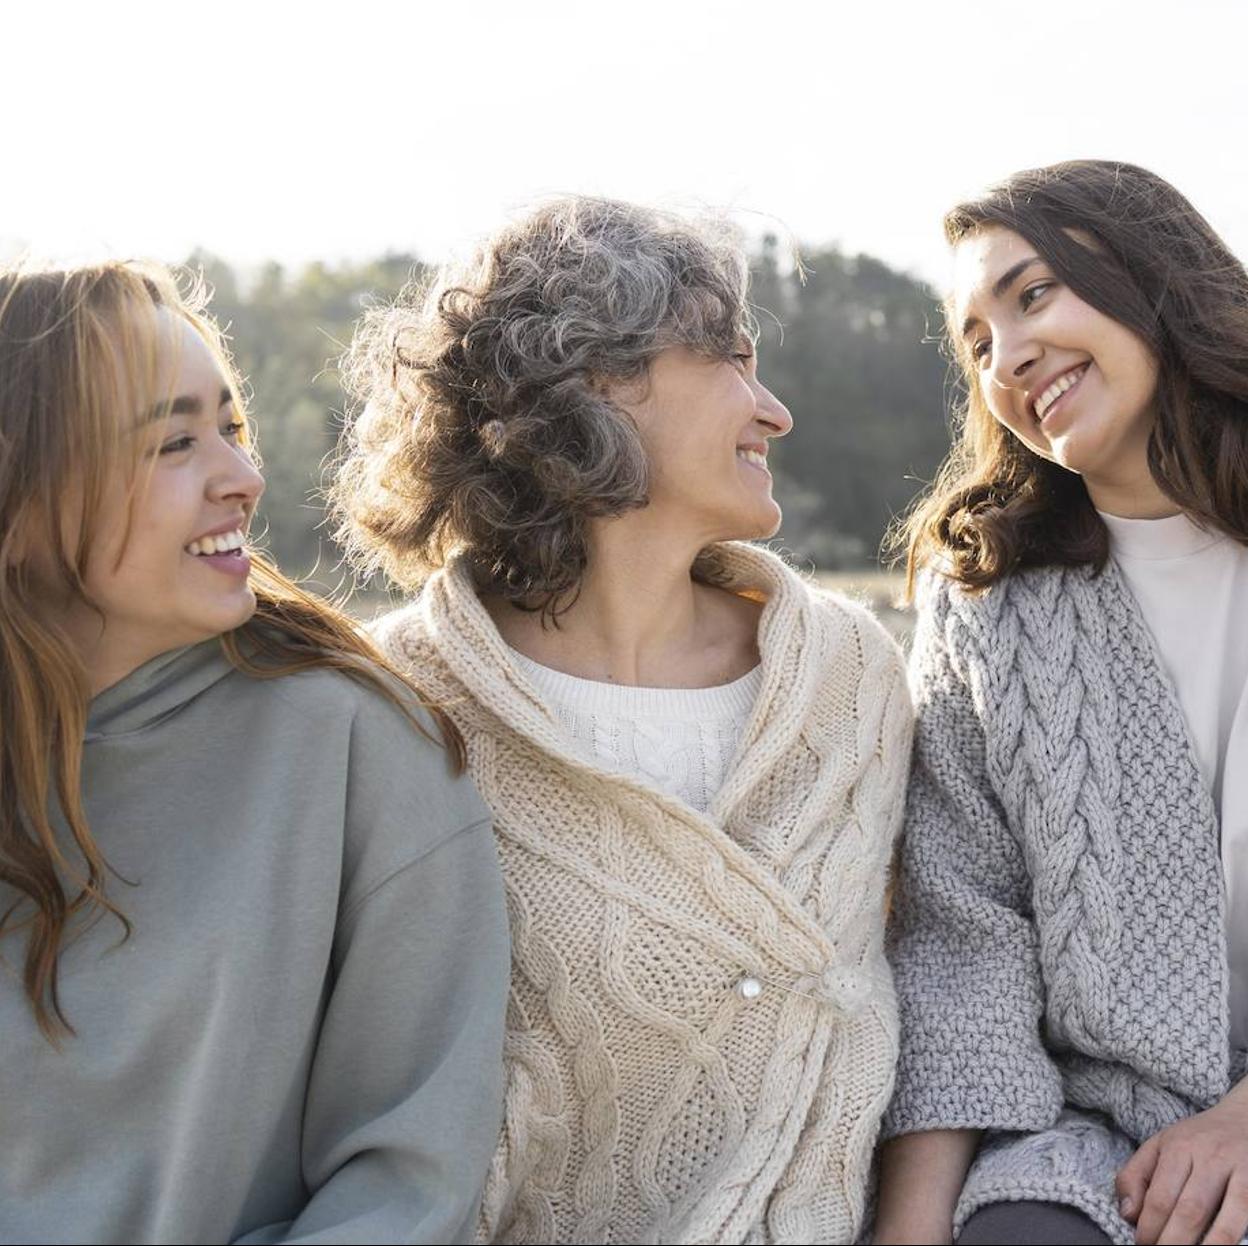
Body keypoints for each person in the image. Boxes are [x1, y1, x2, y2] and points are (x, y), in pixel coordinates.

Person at [330, 197, 914, 1244]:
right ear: (597, 379)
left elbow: (933, 976)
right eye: (730, 358)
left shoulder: (852, 680)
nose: (773, 409)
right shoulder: (407, 701)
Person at [0, 260, 510, 1244]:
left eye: (231, 429)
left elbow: (408, 1182)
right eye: (174, 441)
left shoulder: (354, 744)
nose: (244, 476)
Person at [874, 160, 1248, 1246]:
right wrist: (908, 1235)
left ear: (1151, 277)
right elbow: (961, 938)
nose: (1012, 355)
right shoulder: (988, 601)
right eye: (977, 343)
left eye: (1034, 294)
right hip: (1100, 1140)